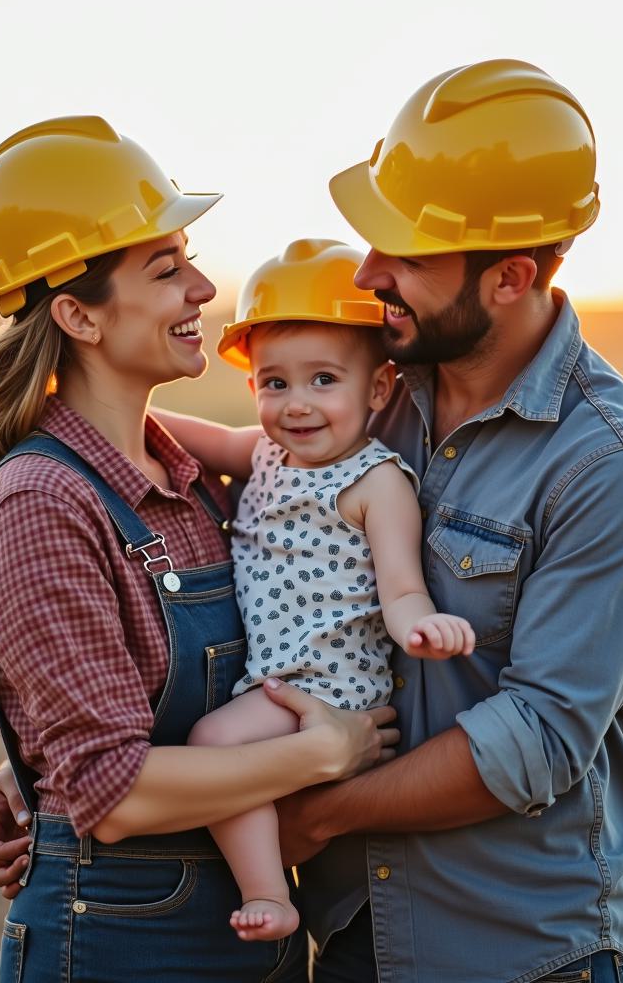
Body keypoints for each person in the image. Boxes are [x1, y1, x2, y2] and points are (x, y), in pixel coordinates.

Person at [0, 119, 396, 978]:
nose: (205, 289)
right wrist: (326, 751)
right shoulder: (43, 503)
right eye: (167, 271)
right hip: (121, 939)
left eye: (191, 259)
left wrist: (30, 759)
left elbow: (124, 717)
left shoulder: (190, 479)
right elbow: (114, 796)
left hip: (246, 924)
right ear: (77, 316)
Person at [152, 241, 476, 944]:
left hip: (331, 688)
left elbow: (401, 585)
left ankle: (269, 892)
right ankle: (270, 879)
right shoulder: (267, 453)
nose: (296, 405)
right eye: (275, 384)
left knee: (213, 746)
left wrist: (423, 627)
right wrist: (91, 415)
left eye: (323, 380)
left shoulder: (376, 481)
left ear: (379, 389)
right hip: (273, 680)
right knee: (225, 757)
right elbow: (194, 438)